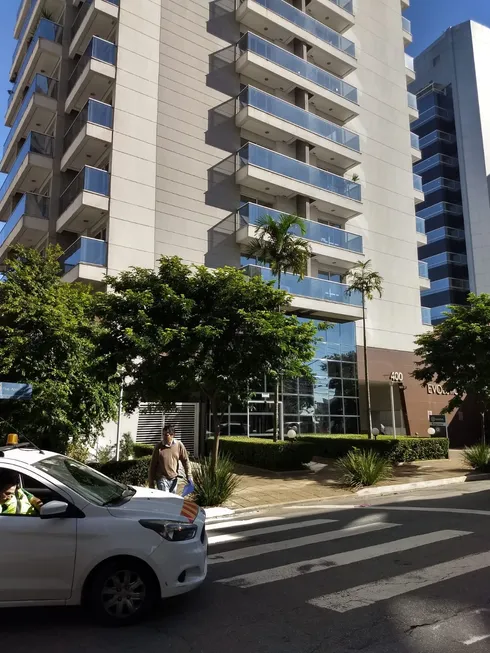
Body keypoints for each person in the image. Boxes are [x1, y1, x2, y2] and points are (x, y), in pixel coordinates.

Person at [148, 426, 192, 493]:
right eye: (163, 434)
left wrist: (188, 475)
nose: (164, 437)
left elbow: (185, 461)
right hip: (162, 478)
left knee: (172, 500)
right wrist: (151, 483)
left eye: (166, 435)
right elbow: (152, 466)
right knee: (165, 499)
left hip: (174, 478)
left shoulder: (179, 445)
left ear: (172, 435)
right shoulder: (158, 447)